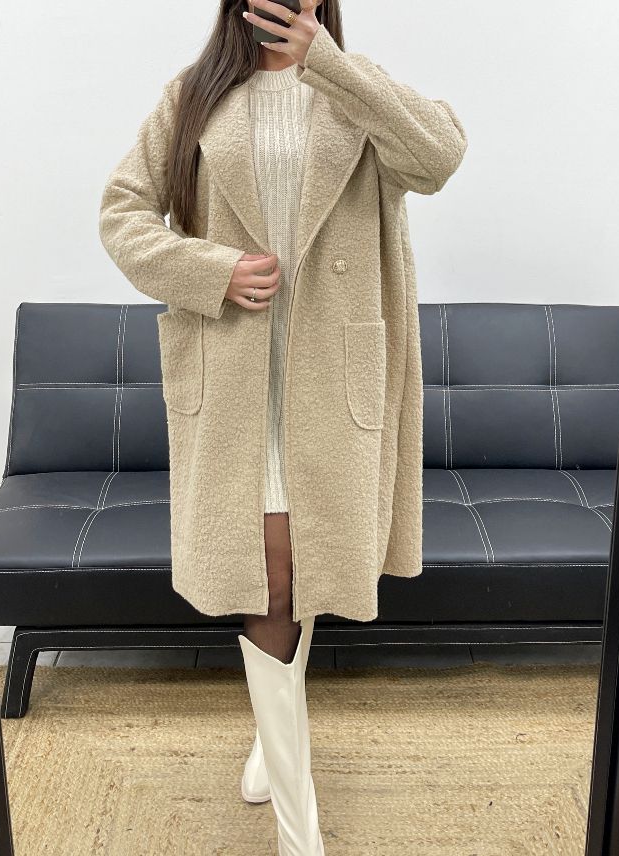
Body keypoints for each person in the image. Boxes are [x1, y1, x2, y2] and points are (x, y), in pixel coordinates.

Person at [99, 1, 467, 851]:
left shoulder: (356, 92)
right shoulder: (192, 96)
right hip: (237, 375)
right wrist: (211, 268)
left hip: (330, 375)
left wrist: (327, 62)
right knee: (270, 573)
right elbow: (121, 213)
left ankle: (274, 741)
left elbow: (439, 157)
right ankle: (301, 833)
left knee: (305, 567)